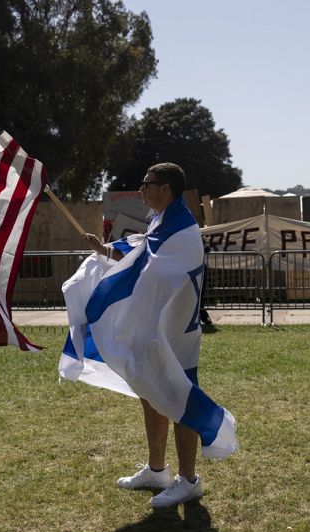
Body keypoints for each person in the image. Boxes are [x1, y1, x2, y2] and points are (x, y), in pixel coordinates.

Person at [82, 163, 208, 507]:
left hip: (176, 331)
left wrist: (115, 281)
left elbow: (152, 269)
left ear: (165, 189)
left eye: (146, 184)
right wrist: (106, 251)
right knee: (151, 391)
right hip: (160, 328)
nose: (141, 190)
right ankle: (156, 469)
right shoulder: (163, 221)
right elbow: (143, 251)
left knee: (181, 398)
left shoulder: (181, 229)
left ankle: (189, 479)